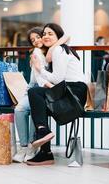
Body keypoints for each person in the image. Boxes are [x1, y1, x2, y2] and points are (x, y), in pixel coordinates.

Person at [27, 23, 87, 165]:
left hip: (73, 93)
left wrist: (39, 69)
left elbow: (57, 79)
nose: (45, 36)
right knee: (39, 104)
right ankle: (45, 151)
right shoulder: (58, 49)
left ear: (58, 36)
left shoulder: (58, 50)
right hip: (70, 91)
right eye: (44, 34)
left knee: (34, 93)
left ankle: (44, 140)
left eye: (50, 34)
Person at [13, 27, 69, 163]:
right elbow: (39, 80)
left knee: (34, 110)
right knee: (19, 109)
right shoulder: (37, 52)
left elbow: (67, 36)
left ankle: (33, 145)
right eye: (32, 40)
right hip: (35, 89)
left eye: (38, 37)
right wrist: (53, 88)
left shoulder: (51, 51)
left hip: (41, 91)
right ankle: (24, 146)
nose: (36, 41)